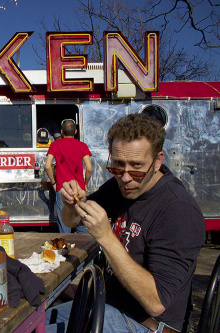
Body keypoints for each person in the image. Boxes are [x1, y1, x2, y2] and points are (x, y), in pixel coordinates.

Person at [45, 114, 205, 333]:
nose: (126, 177)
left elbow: (156, 303)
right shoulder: (120, 186)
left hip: (148, 325)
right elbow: (71, 220)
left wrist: (105, 237)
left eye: (137, 167)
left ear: (158, 161)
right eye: (118, 166)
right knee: (35, 323)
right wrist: (71, 204)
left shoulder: (177, 210)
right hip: (109, 304)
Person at [44, 119, 92, 234]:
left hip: (63, 190)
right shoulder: (82, 146)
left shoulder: (55, 145)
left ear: (61, 132)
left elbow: (47, 166)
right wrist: (85, 184)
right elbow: (89, 168)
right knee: (81, 224)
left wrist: (54, 183)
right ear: (75, 132)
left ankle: (66, 250)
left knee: (64, 226)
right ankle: (84, 250)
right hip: (79, 190)